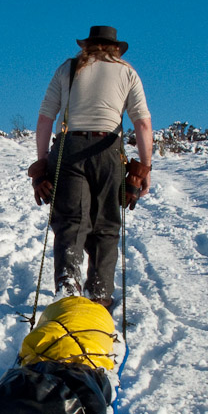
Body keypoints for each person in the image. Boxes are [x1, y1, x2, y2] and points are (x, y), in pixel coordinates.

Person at [29, 26, 152, 309]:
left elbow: (45, 118)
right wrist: (145, 168)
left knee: (71, 221)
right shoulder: (127, 72)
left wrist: (43, 161)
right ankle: (99, 295)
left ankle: (68, 287)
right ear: (115, 48)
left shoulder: (68, 69)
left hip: (69, 151)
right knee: (106, 225)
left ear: (87, 46)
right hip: (108, 151)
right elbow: (142, 123)